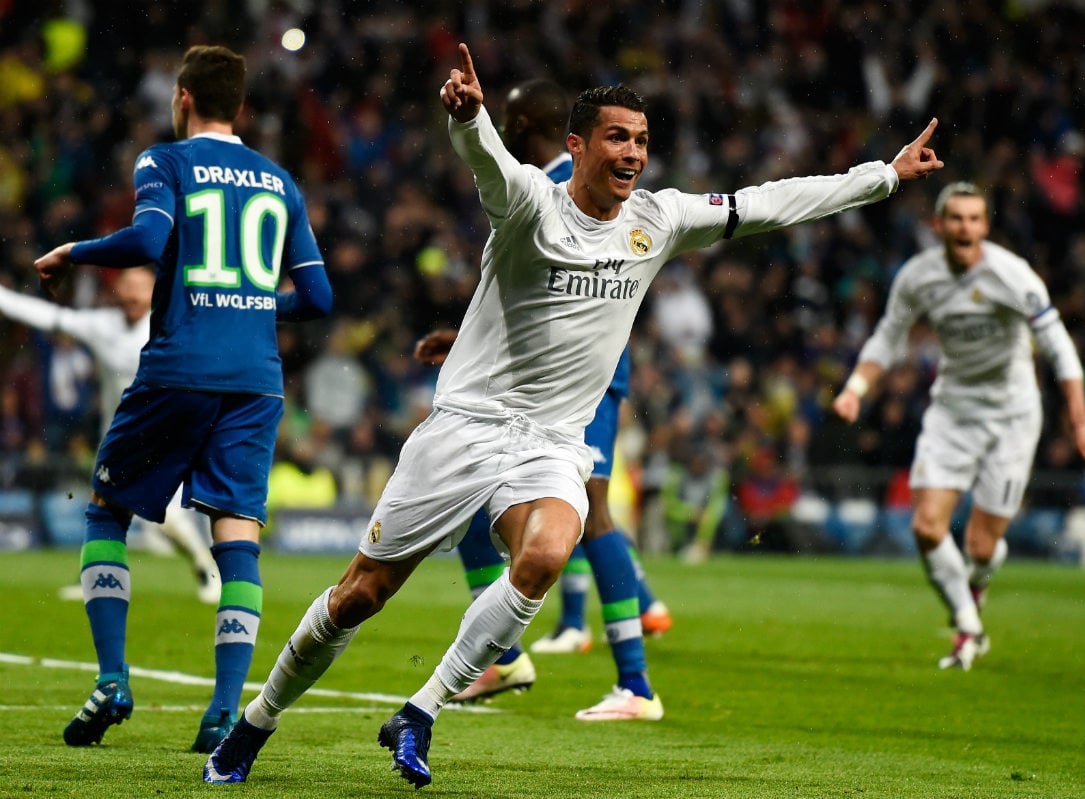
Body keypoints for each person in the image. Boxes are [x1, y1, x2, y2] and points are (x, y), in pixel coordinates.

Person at [204, 42, 941, 789]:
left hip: (553, 441)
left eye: (643, 141)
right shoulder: (530, 204)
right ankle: (254, 723)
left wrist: (883, 176)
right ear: (577, 145)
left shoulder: (660, 219)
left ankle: (421, 709)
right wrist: (469, 119)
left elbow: (772, 201)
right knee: (362, 593)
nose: (634, 154)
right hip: (466, 426)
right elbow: (488, 163)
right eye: (618, 138)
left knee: (550, 551)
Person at [34, 45, 332, 753]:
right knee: (237, 538)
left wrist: (72, 251)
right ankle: (225, 711)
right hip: (256, 380)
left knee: (107, 511)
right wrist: (250, 304)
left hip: (179, 367)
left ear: (183, 96)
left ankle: (112, 678)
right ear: (241, 107)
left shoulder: (164, 162)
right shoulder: (279, 180)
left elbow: (147, 239)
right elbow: (318, 298)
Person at [415, 79, 671, 712]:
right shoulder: (560, 184)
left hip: (583, 388)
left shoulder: (561, 184)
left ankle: (632, 680)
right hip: (546, 382)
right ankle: (509, 654)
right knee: (478, 501)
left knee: (592, 511)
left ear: (521, 121)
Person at [832, 181, 1085, 671]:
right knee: (926, 525)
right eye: (956, 218)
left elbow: (1061, 350)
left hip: (1012, 415)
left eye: (974, 219)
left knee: (981, 546)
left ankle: (975, 586)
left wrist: (1081, 422)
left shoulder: (1013, 275)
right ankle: (967, 624)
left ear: (986, 226)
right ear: (939, 225)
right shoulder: (918, 277)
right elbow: (887, 337)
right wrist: (855, 389)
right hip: (953, 411)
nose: (965, 227)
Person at [0, 269, 223, 604]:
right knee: (105, 511)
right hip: (116, 438)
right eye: (128, 287)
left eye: (141, 288)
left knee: (161, 516)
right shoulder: (102, 326)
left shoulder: (171, 326)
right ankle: (96, 577)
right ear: (117, 291)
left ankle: (207, 570)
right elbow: (52, 317)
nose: (134, 295)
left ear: (154, 292)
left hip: (160, 437)